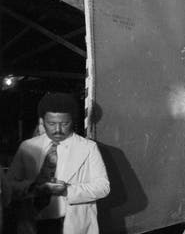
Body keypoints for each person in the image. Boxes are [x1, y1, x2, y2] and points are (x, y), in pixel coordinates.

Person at [5, 93, 110, 234]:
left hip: (71, 223)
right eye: (52, 124)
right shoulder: (27, 146)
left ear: (72, 121)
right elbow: (8, 184)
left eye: (64, 124)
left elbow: (103, 187)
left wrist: (67, 190)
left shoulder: (88, 147)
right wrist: (33, 188)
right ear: (42, 121)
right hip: (33, 222)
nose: (58, 130)